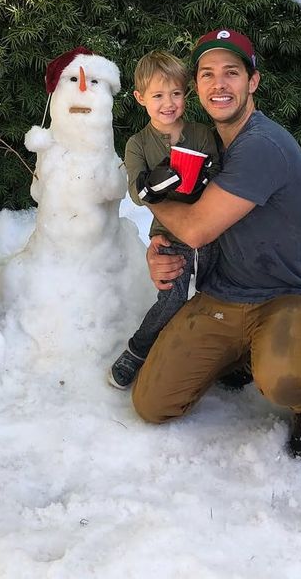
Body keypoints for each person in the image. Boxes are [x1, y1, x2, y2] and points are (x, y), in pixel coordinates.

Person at [131, 28, 301, 462]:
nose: (218, 84)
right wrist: (160, 247)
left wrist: (147, 194)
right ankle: (241, 354)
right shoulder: (203, 145)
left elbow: (196, 229)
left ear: (252, 81)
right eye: (207, 74)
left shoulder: (260, 145)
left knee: (283, 380)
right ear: (196, 86)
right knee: (152, 403)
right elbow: (184, 222)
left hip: (287, 295)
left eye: (231, 73)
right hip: (223, 293)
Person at [108, 51, 219, 389]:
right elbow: (136, 193)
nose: (168, 103)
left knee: (217, 293)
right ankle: (138, 350)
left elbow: (219, 172)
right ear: (140, 98)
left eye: (175, 93)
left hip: (211, 230)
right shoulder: (138, 144)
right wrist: (152, 184)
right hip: (168, 235)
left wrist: (206, 176)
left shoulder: (201, 134)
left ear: (186, 94)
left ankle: (221, 354)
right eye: (157, 95)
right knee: (172, 297)